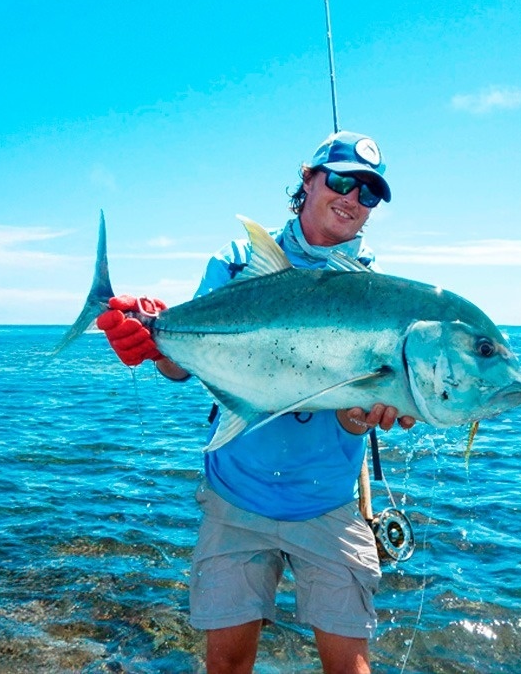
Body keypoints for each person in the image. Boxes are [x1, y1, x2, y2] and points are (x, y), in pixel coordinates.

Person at [97, 130, 416, 674]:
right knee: (225, 667)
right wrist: (154, 345)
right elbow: (188, 361)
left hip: (328, 503)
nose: (352, 199)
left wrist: (371, 409)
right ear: (307, 181)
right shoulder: (242, 258)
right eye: (341, 180)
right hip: (235, 497)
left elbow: (348, 410)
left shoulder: (372, 289)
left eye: (368, 194)